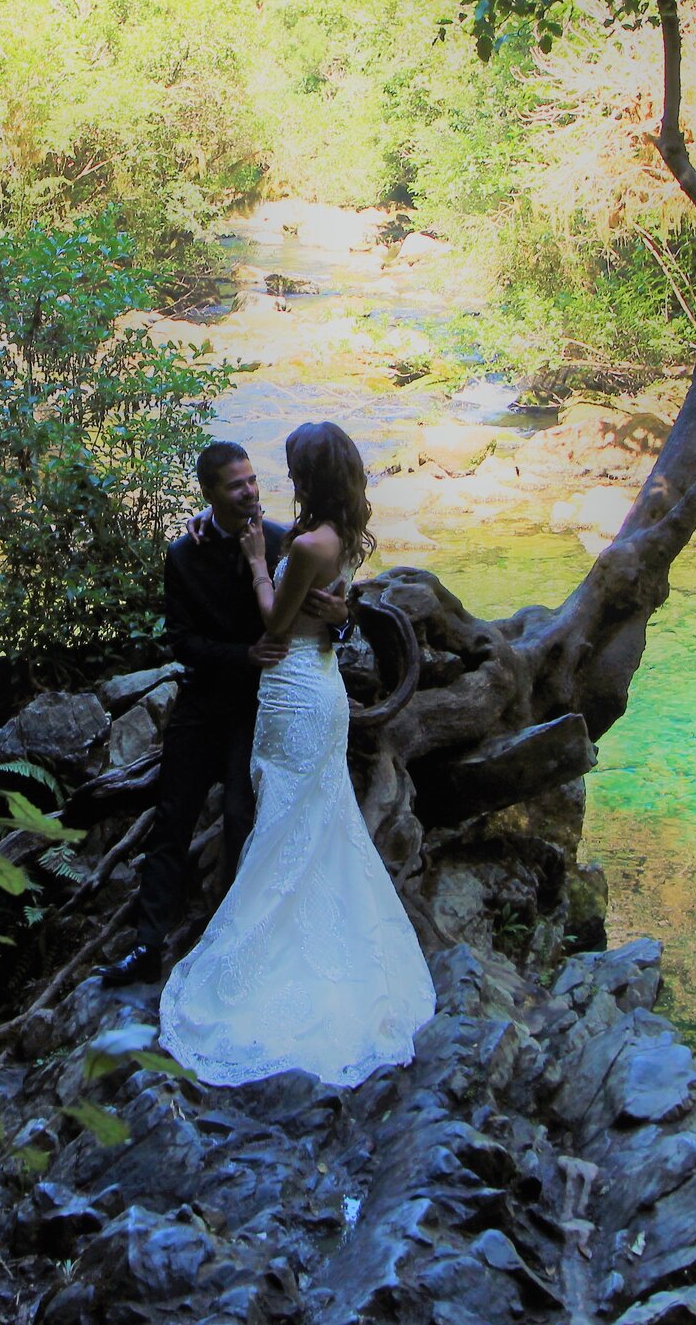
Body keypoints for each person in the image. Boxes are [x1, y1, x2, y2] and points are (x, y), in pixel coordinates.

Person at [158, 421, 435, 1087]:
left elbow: (288, 621)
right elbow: (294, 607)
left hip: (295, 694)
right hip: (281, 694)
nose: (266, 486)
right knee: (303, 815)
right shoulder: (307, 536)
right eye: (247, 480)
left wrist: (265, 566)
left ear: (307, 477)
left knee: (280, 816)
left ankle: (258, 950)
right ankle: (175, 940)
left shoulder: (300, 541)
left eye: (277, 472)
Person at [103, 440, 346, 988]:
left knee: (242, 815)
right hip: (205, 699)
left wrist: (342, 619)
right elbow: (181, 641)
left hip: (262, 707)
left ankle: (233, 937)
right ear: (209, 493)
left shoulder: (286, 543)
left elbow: (322, 622)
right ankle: (147, 947)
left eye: (254, 481)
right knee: (172, 818)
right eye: (236, 485)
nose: (251, 492)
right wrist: (242, 655)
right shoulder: (183, 554)